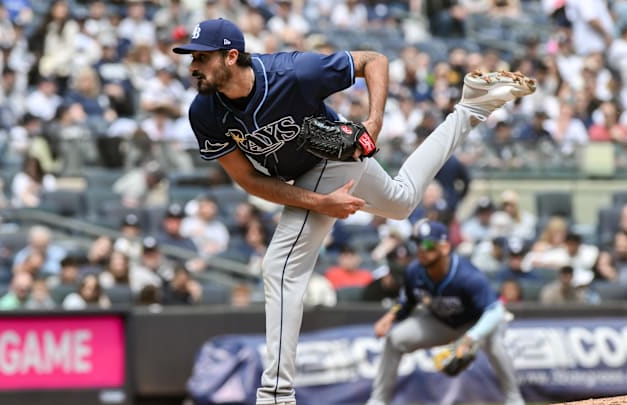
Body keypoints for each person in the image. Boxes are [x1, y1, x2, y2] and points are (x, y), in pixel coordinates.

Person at [173, 17, 535, 405]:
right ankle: (471, 106)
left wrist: (374, 121)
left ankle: (275, 395)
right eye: (191, 56)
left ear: (231, 56)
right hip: (318, 173)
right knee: (402, 201)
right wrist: (320, 204)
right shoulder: (205, 113)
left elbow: (373, 60)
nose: (193, 65)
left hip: (333, 157)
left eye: (202, 56)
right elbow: (247, 180)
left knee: (280, 267)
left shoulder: (292, 71)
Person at [367, 221, 524, 405]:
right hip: (439, 321)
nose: (421, 249)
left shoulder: (467, 275)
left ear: (445, 246)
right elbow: (407, 302)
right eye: (418, 243)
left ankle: (514, 399)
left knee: (494, 342)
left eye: (428, 244)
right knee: (394, 340)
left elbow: (496, 311)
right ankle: (378, 401)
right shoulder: (414, 272)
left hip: (474, 324)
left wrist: (469, 339)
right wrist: (390, 316)